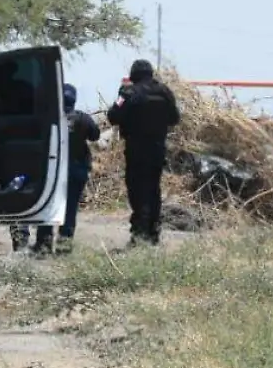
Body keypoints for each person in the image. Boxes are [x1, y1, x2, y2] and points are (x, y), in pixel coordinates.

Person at [106, 59, 180, 246]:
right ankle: (153, 232)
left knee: (137, 190)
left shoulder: (129, 93)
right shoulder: (164, 91)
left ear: (134, 75)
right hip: (157, 149)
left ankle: (139, 232)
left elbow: (113, 116)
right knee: (153, 189)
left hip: (136, 148)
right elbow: (175, 118)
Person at [30, 83, 99, 255]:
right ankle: (64, 247)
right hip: (76, 170)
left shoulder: (50, 118)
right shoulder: (83, 118)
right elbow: (95, 135)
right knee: (70, 210)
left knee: (48, 207)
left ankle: (43, 246)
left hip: (53, 171)